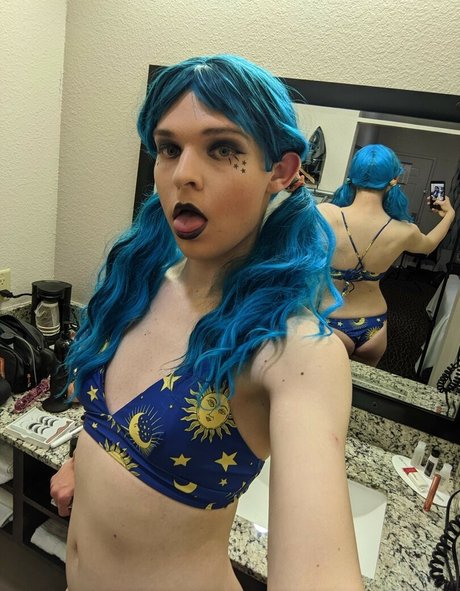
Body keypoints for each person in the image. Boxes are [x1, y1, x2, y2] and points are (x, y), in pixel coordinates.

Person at [50, 54, 364, 591]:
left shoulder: (293, 350)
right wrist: (85, 461)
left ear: (280, 172)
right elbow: (116, 428)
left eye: (222, 149)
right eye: (169, 149)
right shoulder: (138, 283)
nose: (183, 175)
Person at [318, 144, 455, 367]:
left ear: (352, 176)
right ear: (394, 180)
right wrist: (449, 214)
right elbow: (429, 244)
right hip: (375, 325)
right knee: (361, 386)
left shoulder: (326, 214)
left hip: (332, 320)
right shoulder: (404, 231)